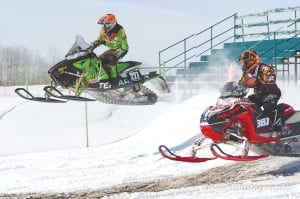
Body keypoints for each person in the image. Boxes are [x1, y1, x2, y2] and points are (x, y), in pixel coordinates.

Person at [238, 49, 282, 131]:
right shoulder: (246, 72)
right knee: (244, 104)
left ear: (253, 61)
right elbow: (241, 83)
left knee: (268, 104)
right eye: (243, 62)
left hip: (272, 92)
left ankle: (277, 127)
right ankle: (248, 126)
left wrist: (257, 81)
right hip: (260, 94)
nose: (244, 64)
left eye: (246, 62)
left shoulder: (265, 68)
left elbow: (271, 80)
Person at [92, 14, 129, 81]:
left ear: (113, 23)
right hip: (113, 49)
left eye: (107, 24)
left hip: (122, 48)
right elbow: (99, 40)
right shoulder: (104, 30)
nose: (106, 26)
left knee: (111, 59)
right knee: (99, 60)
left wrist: (103, 42)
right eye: (104, 24)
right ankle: (103, 77)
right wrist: (93, 45)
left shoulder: (120, 30)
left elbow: (115, 45)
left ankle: (115, 78)